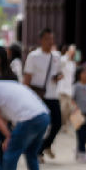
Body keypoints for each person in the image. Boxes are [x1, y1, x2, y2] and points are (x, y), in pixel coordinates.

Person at [23, 28, 63, 160]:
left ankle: (44, 145)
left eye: (51, 39)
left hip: (52, 94)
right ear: (41, 40)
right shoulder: (34, 56)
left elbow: (59, 72)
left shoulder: (56, 56)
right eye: (47, 39)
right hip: (37, 94)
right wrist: (25, 94)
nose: (50, 42)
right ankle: (34, 149)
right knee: (39, 123)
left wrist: (58, 77)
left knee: (57, 122)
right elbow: (27, 76)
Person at [72, 64, 86, 163]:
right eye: (83, 72)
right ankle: (82, 153)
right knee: (80, 134)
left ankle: (79, 150)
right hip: (78, 114)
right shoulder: (76, 86)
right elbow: (72, 99)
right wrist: (76, 108)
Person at [58, 44, 77, 131]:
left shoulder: (73, 64)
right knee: (62, 108)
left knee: (69, 108)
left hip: (70, 89)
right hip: (62, 88)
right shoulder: (63, 59)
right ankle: (62, 124)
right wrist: (67, 55)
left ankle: (66, 124)